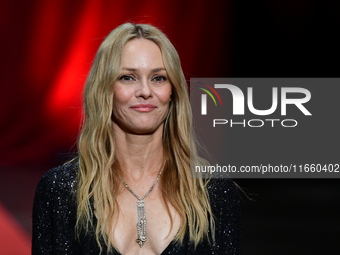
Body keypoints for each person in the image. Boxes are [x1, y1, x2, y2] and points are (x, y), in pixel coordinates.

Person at [32, 23, 240, 255]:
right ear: (104, 89)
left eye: (158, 78)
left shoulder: (212, 190)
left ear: (173, 92)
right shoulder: (61, 190)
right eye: (128, 77)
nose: (145, 91)